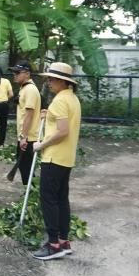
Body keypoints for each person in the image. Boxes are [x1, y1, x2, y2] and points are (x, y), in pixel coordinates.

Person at [32, 62, 82, 260]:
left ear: (63, 81)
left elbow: (62, 131)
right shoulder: (71, 99)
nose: (48, 82)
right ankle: (63, 241)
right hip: (66, 158)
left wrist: (41, 145)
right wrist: (48, 115)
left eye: (51, 79)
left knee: (49, 199)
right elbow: (61, 122)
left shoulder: (60, 101)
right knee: (61, 199)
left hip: (53, 157)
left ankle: (53, 244)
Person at [10, 60, 41, 185]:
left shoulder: (30, 90)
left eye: (18, 72)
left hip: (29, 137)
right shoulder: (25, 88)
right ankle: (31, 192)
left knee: (25, 167)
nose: (15, 75)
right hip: (27, 136)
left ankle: (31, 192)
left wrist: (24, 137)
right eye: (14, 73)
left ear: (27, 74)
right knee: (24, 166)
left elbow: (29, 114)